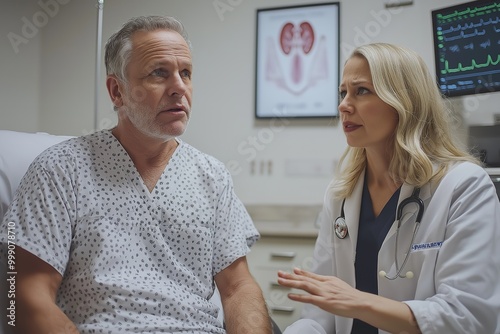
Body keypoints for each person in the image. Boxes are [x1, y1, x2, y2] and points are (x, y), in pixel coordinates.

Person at [0, 16, 272, 334]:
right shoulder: (60, 170)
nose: (180, 87)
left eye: (186, 73)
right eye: (160, 73)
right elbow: (26, 295)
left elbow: (238, 287)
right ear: (118, 91)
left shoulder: (212, 176)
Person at [277, 43, 500, 334]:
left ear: (404, 101)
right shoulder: (341, 194)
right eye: (343, 93)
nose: (344, 105)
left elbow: (467, 316)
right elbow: (321, 313)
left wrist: (358, 303)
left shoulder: (464, 186)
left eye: (362, 91)